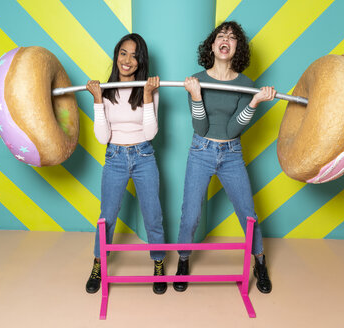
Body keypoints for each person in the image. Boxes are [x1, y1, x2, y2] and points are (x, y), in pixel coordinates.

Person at [174, 21, 275, 294]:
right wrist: (196, 96)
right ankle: (183, 260)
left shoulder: (246, 85)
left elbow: (232, 130)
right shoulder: (196, 79)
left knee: (247, 213)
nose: (226, 40)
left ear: (236, 49)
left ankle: (260, 261)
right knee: (190, 214)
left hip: (231, 154)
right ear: (213, 45)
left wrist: (254, 102)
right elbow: (201, 128)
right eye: (221, 35)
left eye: (232, 38)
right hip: (201, 150)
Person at [85, 33, 167, 295]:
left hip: (144, 156)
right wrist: (98, 100)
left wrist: (146, 95)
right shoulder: (105, 91)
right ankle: (99, 263)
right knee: (106, 217)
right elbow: (102, 137)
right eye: (123, 53)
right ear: (116, 56)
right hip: (115, 158)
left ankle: (158, 262)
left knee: (152, 215)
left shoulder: (150, 90)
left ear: (140, 61)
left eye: (134, 55)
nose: (128, 60)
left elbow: (151, 133)